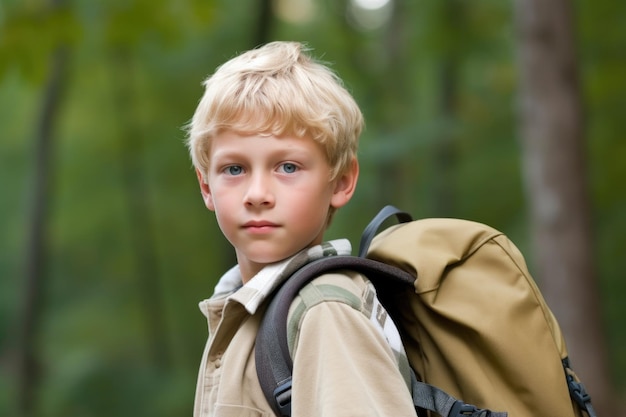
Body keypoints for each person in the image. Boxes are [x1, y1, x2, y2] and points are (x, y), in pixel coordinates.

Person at [185, 41, 415, 417]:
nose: (257, 194)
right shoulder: (242, 306)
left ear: (340, 181)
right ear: (206, 186)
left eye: (288, 167)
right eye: (234, 169)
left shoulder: (323, 311)